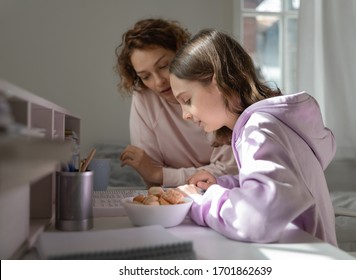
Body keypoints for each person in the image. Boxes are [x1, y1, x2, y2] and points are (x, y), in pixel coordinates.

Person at [169, 29, 337, 246]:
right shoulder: (267, 125)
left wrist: (200, 201)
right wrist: (223, 185)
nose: (186, 114)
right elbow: (278, 188)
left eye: (187, 99)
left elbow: (256, 219)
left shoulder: (259, 129)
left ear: (216, 81)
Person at [115, 19, 237, 187]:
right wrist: (157, 175)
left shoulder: (213, 87)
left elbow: (230, 170)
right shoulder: (144, 97)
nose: (158, 82)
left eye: (164, 65)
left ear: (182, 54)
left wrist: (161, 174)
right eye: (145, 76)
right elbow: (149, 176)